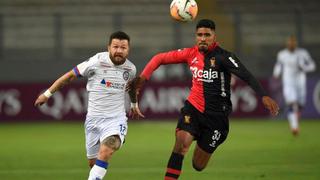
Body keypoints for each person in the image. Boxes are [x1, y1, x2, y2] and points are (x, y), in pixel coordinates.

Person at [133, 19, 279, 179]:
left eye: (207, 35)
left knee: (198, 165)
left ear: (214, 36)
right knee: (181, 144)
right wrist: (143, 78)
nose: (203, 38)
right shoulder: (190, 54)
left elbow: (246, 75)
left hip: (217, 118)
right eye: (199, 35)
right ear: (196, 36)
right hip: (193, 110)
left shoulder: (224, 57)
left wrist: (263, 95)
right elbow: (159, 58)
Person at [34, 31, 144, 180]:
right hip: (93, 120)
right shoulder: (96, 62)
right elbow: (70, 76)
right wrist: (47, 94)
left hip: (115, 119)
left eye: (123, 47)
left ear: (128, 49)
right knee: (93, 164)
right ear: (108, 47)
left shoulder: (131, 69)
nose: (119, 51)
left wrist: (133, 104)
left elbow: (130, 88)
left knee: (108, 148)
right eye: (115, 46)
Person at [273, 35, 316, 136]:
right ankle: (294, 127)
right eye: (289, 43)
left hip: (300, 83)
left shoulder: (303, 53)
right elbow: (278, 65)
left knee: (300, 105)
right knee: (292, 103)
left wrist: (304, 68)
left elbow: (312, 65)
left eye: (293, 43)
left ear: (295, 44)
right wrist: (276, 74)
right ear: (287, 44)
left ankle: (295, 120)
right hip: (288, 82)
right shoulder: (282, 54)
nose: (291, 44)